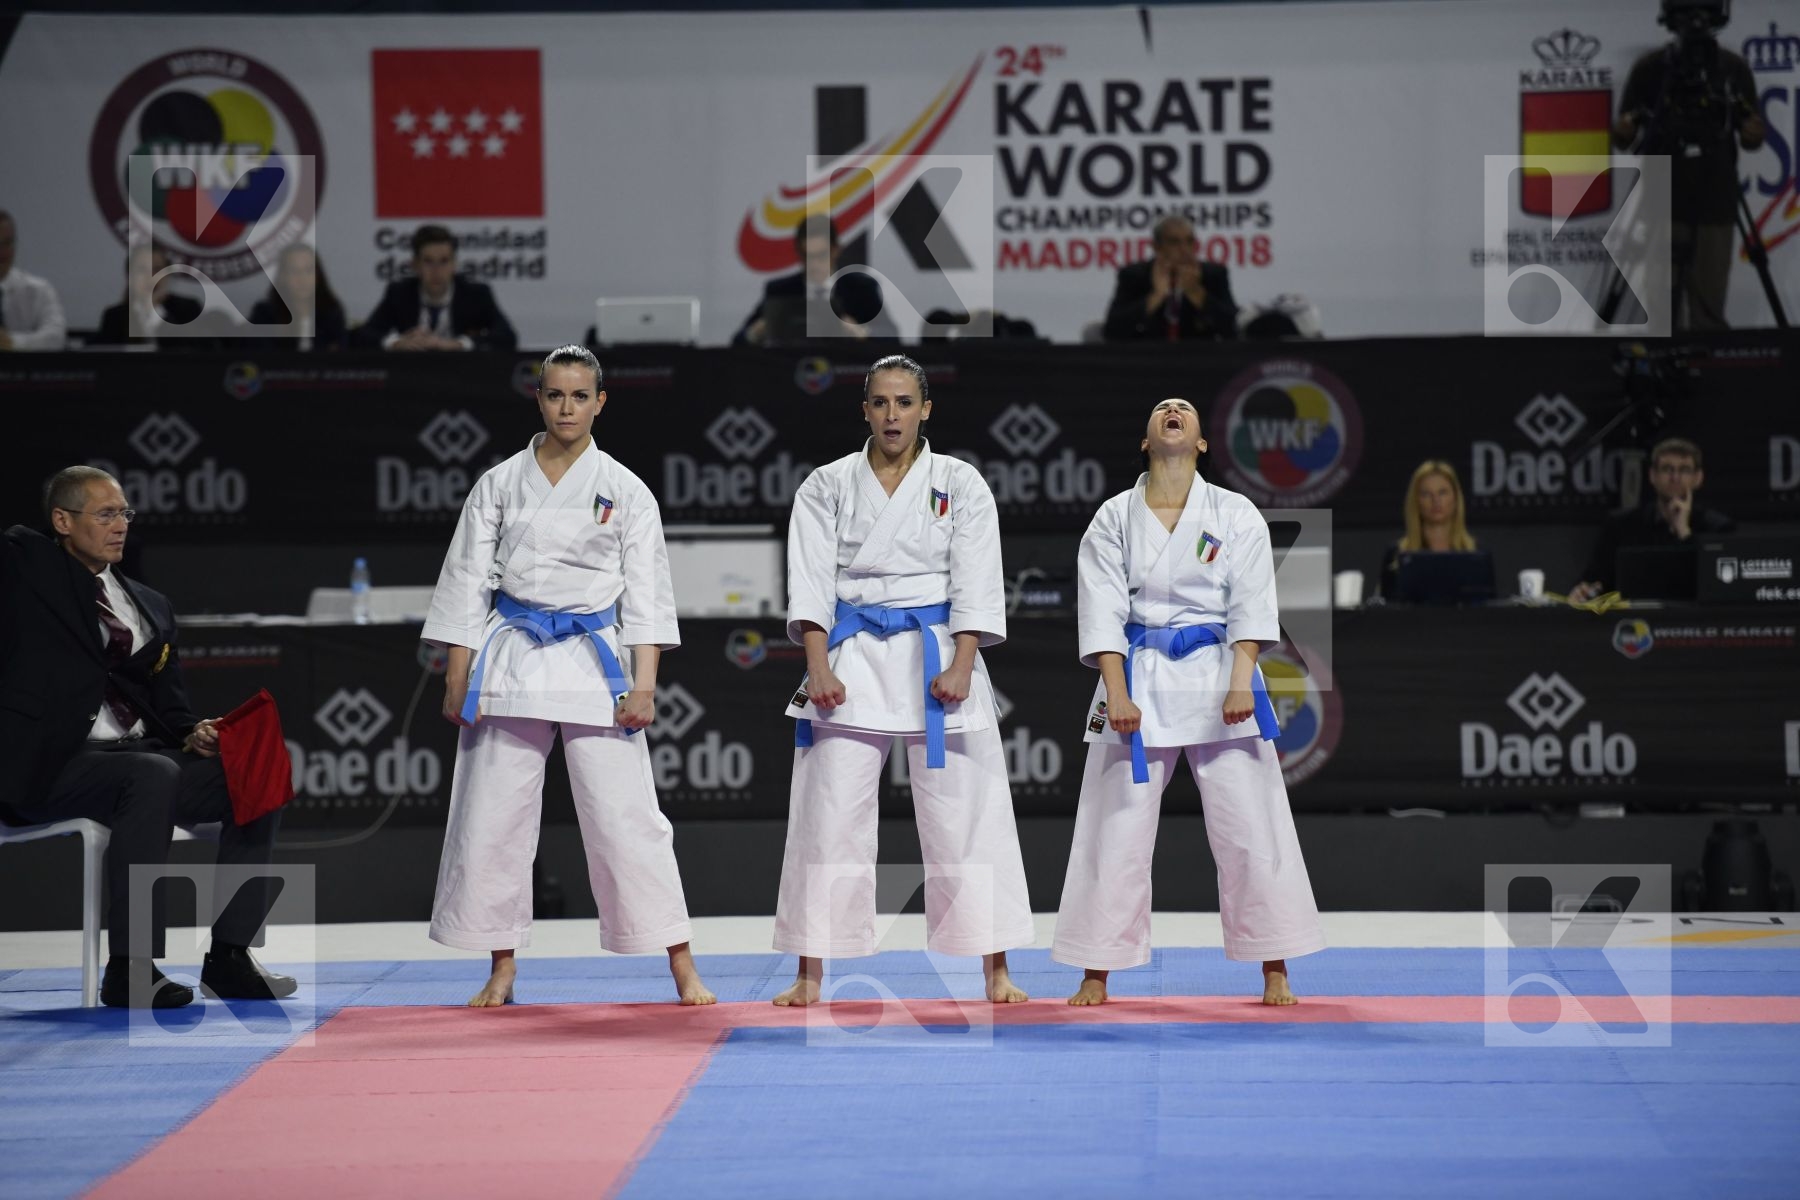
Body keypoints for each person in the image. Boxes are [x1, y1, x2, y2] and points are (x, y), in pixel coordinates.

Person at [421, 344, 712, 1008]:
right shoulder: (498, 483)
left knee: (627, 816)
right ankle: (500, 966)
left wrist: (645, 685)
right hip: (513, 655)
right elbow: (468, 584)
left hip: (594, 664)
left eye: (580, 396)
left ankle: (681, 963)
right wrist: (455, 676)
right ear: (539, 398)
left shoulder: (624, 488)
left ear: (600, 401)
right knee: (493, 815)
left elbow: (647, 595)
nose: (567, 407)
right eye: (556, 395)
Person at [772, 354, 1033, 1007]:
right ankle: (810, 974)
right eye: (881, 404)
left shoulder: (960, 482)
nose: (893, 416)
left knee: (968, 818)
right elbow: (809, 582)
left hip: (937, 655)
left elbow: (977, 577)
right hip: (851, 655)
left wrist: (964, 664)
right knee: (827, 817)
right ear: (865, 410)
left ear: (925, 410)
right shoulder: (827, 484)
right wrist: (818, 665)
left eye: (904, 403)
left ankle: (994, 970)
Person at [1052, 398, 1325, 1007]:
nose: (1173, 410)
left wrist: (1239, 680)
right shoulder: (1113, 517)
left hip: (1218, 675)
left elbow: (1253, 606)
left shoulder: (1234, 512)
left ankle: (1274, 965)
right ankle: (1096, 968)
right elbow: (1101, 610)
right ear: (1146, 440)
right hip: (1138, 677)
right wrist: (1116, 693)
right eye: (1161, 409)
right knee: (1115, 829)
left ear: (1201, 443)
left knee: (1250, 826)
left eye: (1185, 409)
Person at [0, 467, 294, 1008]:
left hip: (135, 762)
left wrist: (193, 732)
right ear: (62, 521)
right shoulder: (27, 571)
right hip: (52, 766)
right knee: (150, 774)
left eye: (125, 514)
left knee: (252, 773)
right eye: (105, 514)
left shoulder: (148, 605)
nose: (120, 526)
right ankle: (131, 968)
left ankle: (230, 955)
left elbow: (171, 708)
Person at [1614, 2, 1764, 330]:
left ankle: (1706, 374)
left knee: (1708, 308)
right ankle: (1660, 373)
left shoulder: (1732, 69)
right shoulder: (1652, 68)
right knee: (1659, 309)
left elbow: (1751, 135)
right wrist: (1623, 128)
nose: (1695, 21)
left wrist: (1754, 132)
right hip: (1659, 200)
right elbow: (1623, 137)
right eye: (1686, 11)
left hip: (1716, 197)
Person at [1570, 437, 1733, 601]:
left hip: (1693, 623)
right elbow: (1594, 580)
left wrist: (1684, 531)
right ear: (1652, 475)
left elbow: (1715, 587)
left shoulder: (1716, 527)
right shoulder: (1621, 524)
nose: (1675, 477)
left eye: (1684, 470)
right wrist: (1583, 591)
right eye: (1667, 469)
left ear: (1698, 478)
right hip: (1633, 619)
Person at [358, 225, 517, 351]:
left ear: (454, 264)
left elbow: (507, 337)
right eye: (428, 261)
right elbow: (363, 335)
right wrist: (396, 343)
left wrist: (458, 344)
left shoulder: (476, 294)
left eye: (444, 261)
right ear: (415, 265)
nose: (436, 270)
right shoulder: (399, 293)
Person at [734, 215, 885, 345]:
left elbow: (892, 342)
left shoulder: (861, 289)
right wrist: (755, 333)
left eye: (821, 255)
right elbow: (738, 343)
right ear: (798, 254)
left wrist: (864, 336)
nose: (814, 263)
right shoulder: (780, 291)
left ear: (836, 250)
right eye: (807, 256)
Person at [1102, 215, 1238, 342]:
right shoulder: (1134, 275)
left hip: (1199, 358)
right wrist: (1156, 296)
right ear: (1157, 247)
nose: (1185, 249)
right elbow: (1112, 332)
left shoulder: (1213, 274)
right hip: (1147, 358)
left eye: (1189, 241)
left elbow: (1234, 329)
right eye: (1175, 242)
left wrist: (1197, 293)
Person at [1379, 461, 1478, 600]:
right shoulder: (1396, 555)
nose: (1435, 500)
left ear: (1455, 498)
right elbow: (1383, 615)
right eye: (1426, 494)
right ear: (1416, 501)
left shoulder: (1475, 552)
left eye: (1442, 492)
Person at [91, 244, 204, 347]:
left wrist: (154, 311)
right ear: (130, 277)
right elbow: (107, 361)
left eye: (157, 269)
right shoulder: (114, 316)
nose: (151, 277)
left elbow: (192, 354)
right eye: (142, 270)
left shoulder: (189, 309)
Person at [248, 244, 347, 350]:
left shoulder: (331, 312)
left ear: (318, 275)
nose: (302, 279)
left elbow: (338, 357)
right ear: (283, 277)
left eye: (308, 271)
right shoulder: (264, 314)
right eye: (294, 271)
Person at [0, 210, 68, 350]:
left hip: (23, 370)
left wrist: (12, 342)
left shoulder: (39, 290)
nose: (2, 252)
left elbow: (56, 337)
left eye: (7, 243)